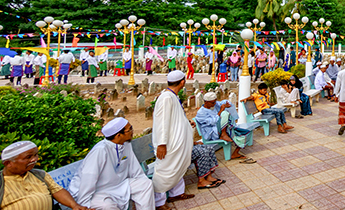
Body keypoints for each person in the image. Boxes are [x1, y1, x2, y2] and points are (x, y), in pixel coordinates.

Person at [68, 118, 155, 210]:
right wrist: (83, 204)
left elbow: (135, 169)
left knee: (145, 185)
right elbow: (88, 178)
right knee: (107, 206)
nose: (132, 131)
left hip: (117, 185)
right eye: (129, 129)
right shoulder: (101, 150)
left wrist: (142, 181)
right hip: (96, 191)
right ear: (118, 135)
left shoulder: (126, 144)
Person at [1, 141, 92, 210]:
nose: (34, 159)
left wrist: (74, 205)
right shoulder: (2, 182)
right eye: (28, 157)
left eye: (35, 155)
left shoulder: (39, 175)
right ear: (8, 163)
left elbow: (57, 190)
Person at [151, 70, 195, 207]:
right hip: (169, 144)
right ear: (182, 82)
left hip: (177, 143)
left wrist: (186, 123)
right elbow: (162, 123)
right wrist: (162, 144)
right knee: (164, 171)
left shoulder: (172, 96)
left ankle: (177, 193)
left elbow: (174, 118)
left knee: (177, 167)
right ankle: (159, 202)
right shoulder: (166, 98)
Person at [196, 92, 254, 162]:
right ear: (206, 102)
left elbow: (221, 103)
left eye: (215, 102)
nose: (214, 104)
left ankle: (235, 153)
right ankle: (223, 134)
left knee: (247, 133)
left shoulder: (214, 105)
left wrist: (226, 104)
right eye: (212, 103)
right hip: (212, 133)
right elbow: (212, 122)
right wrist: (220, 111)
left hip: (222, 128)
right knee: (224, 113)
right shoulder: (201, 112)